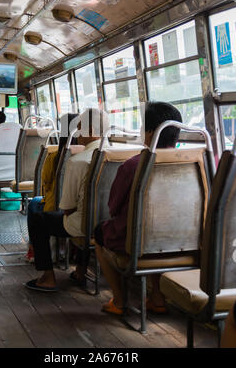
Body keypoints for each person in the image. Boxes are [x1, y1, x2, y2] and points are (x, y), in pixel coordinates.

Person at [94, 101, 182, 315]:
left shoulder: (133, 165)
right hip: (179, 240)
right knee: (156, 231)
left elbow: (114, 207)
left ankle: (120, 300)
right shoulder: (192, 162)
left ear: (151, 133)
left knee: (99, 233)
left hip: (137, 241)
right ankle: (157, 298)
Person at [25, 107, 110, 292]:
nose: (77, 134)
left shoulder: (77, 161)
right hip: (109, 222)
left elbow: (67, 208)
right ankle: (80, 270)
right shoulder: (120, 156)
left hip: (84, 225)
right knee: (86, 216)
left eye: (80, 128)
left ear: (91, 131)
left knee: (39, 219)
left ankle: (47, 276)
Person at [25, 112, 80, 263]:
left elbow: (46, 185)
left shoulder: (55, 157)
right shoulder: (91, 158)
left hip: (56, 208)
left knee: (35, 203)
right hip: (80, 210)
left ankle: (34, 250)